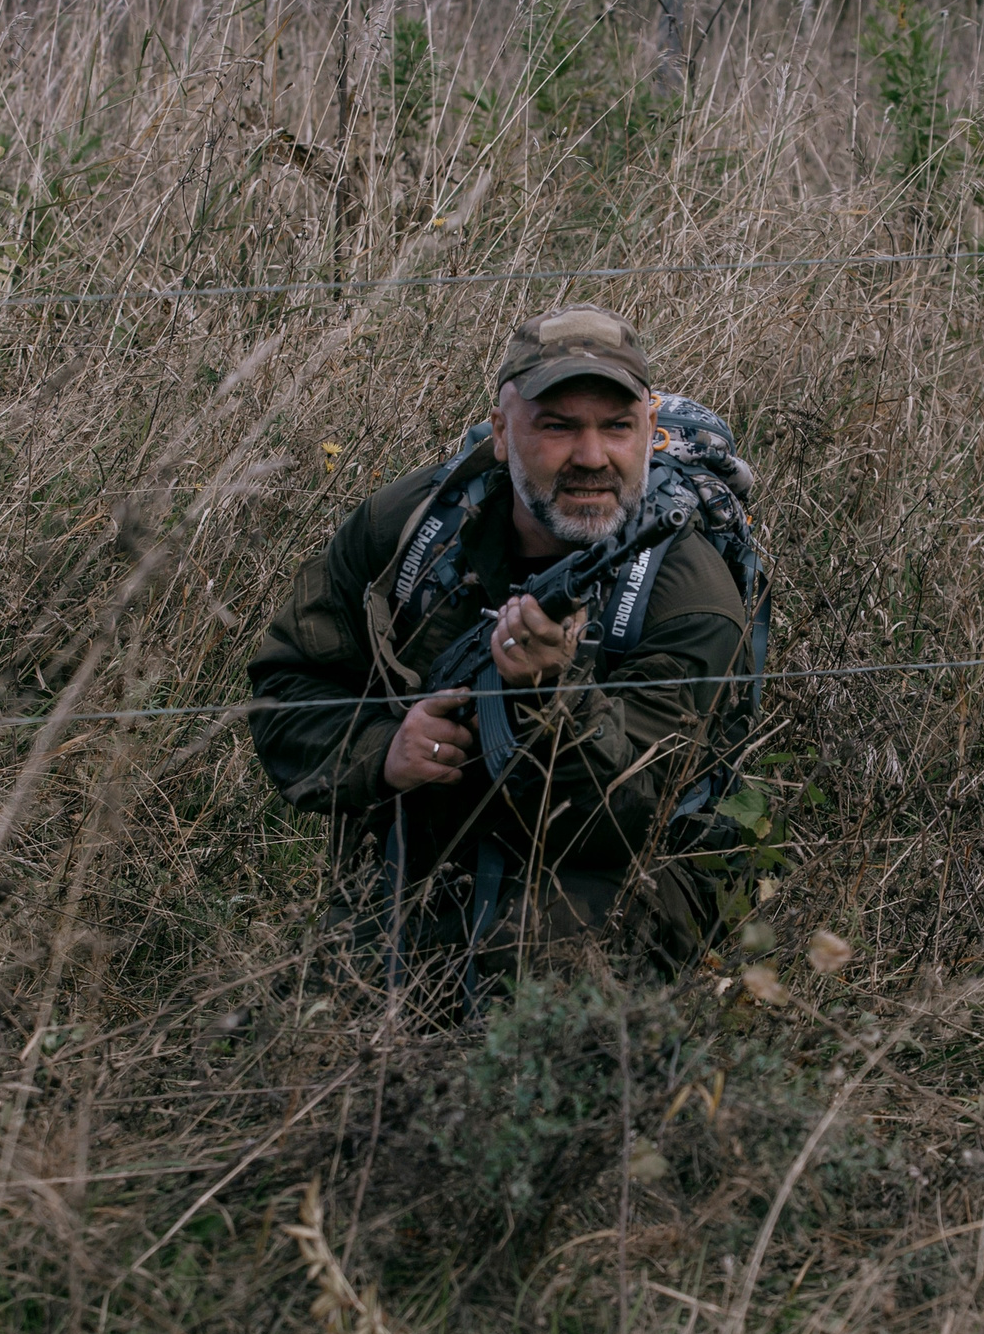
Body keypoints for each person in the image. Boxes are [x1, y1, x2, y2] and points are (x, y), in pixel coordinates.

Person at [247, 306, 749, 997]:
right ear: (501, 431)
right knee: (313, 1023)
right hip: (420, 863)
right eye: (558, 426)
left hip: (615, 890)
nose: (592, 458)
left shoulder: (686, 595)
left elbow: (626, 825)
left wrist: (555, 694)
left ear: (647, 431)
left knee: (528, 1029)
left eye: (616, 427)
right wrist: (385, 750)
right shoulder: (413, 529)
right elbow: (287, 689)